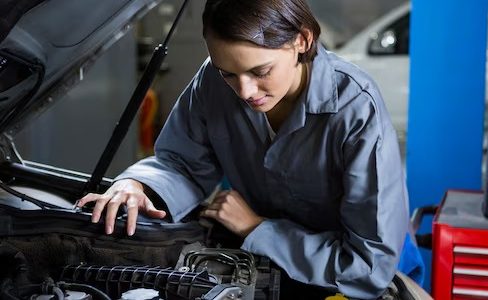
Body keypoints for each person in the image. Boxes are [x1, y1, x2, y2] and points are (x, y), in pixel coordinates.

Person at [77, 0, 423, 298]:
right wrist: (137, 185)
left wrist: (256, 228)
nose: (244, 91)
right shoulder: (213, 83)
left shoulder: (356, 109)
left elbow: (369, 268)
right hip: (265, 256)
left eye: (261, 71)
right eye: (228, 73)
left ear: (302, 39)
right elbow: (181, 162)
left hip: (362, 270)